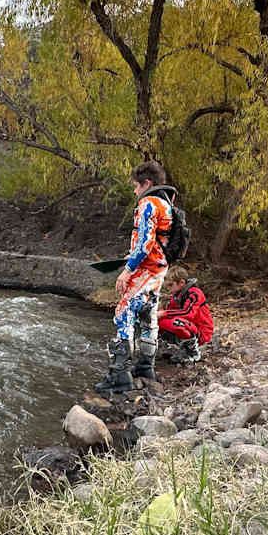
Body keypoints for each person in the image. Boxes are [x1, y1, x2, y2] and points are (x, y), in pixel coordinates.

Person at [95, 161, 177, 393]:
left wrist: (127, 270)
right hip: (159, 271)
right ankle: (145, 367)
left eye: (135, 186)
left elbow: (144, 244)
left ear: (147, 183)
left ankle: (119, 375)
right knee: (148, 316)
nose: (134, 191)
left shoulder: (148, 204)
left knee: (124, 312)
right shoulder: (167, 204)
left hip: (143, 271)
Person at [157, 266, 214, 363]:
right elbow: (169, 311)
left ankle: (192, 352)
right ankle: (167, 346)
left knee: (176, 323)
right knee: (159, 322)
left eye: (171, 285)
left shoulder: (195, 293)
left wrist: (163, 313)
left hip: (202, 332)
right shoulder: (177, 296)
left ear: (182, 282)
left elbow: (188, 313)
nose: (169, 289)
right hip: (190, 326)